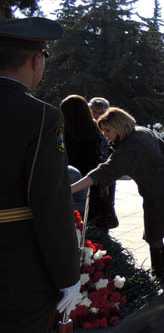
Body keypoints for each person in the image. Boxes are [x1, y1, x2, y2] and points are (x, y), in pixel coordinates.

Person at [0, 17, 81, 333]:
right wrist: (68, 277)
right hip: (14, 272)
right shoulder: (40, 116)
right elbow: (51, 204)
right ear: (35, 60)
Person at [71, 107, 164, 287]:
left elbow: (102, 172)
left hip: (156, 194)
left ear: (119, 126)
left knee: (154, 236)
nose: (106, 135)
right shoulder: (144, 132)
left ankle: (158, 279)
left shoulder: (129, 147)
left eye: (108, 130)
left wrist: (71, 188)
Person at [60, 94, 118, 231]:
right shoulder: (98, 131)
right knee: (97, 224)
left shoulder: (63, 132)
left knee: (75, 224)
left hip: (73, 182)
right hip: (97, 182)